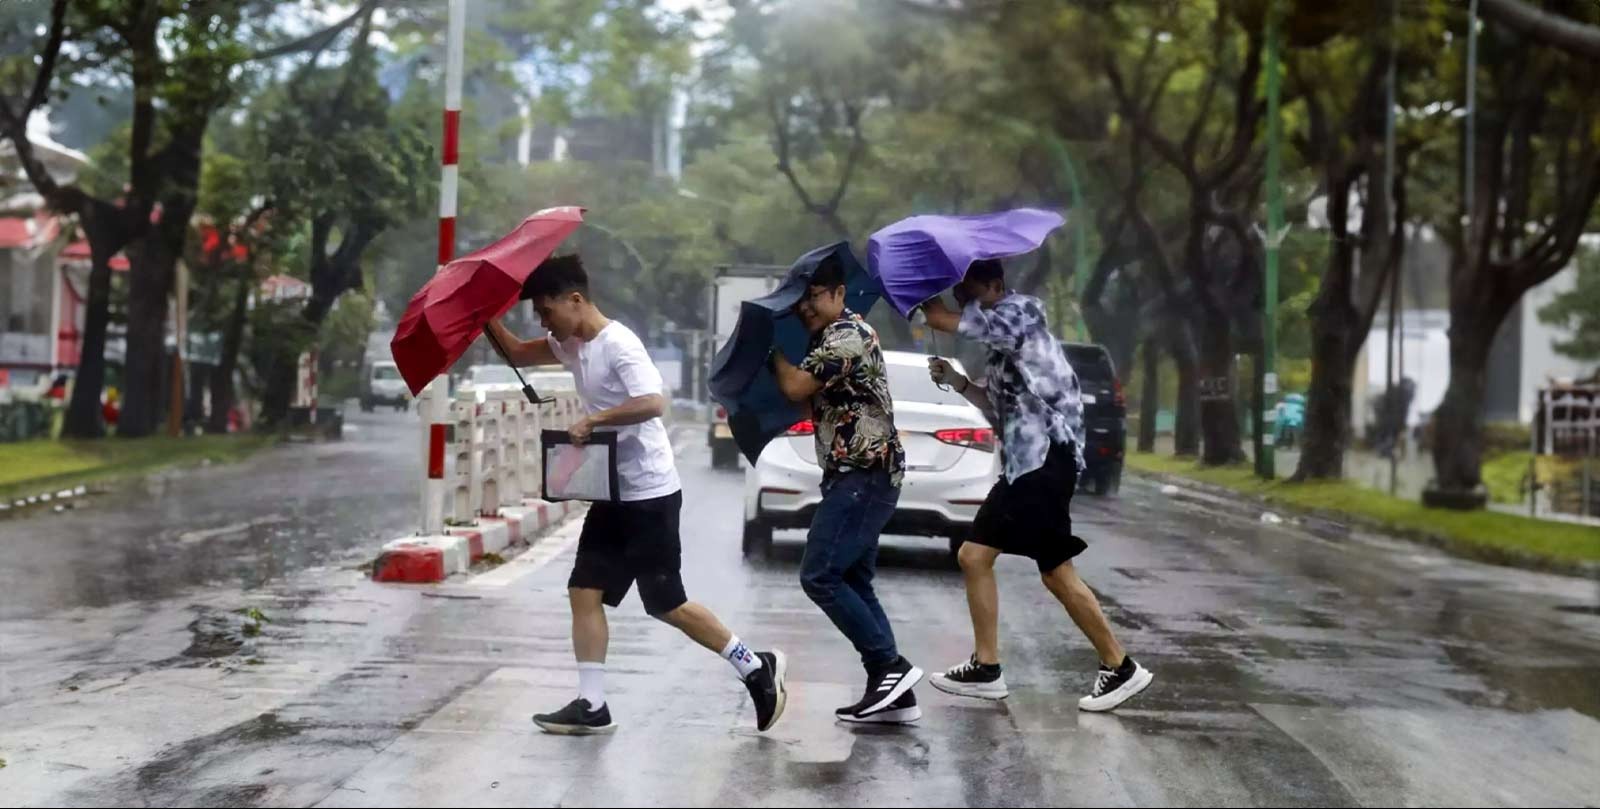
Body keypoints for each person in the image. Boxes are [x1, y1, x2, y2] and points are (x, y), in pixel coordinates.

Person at [484, 254, 788, 735]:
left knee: (666, 603)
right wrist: (485, 316)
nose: (544, 323)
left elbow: (652, 402)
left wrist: (594, 420)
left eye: (546, 311)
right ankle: (592, 703)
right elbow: (519, 354)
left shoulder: (618, 343)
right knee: (584, 591)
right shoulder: (571, 346)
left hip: (649, 493)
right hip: (612, 492)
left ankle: (755, 665)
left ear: (576, 300)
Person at [920, 258, 1154, 712]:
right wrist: (958, 383)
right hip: (1027, 465)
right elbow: (998, 406)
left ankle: (1121, 666)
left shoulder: (1020, 313)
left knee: (1054, 571)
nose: (964, 300)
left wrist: (927, 296)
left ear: (995, 285)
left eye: (969, 291)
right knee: (975, 556)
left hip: (1047, 458)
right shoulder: (1003, 340)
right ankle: (987, 667)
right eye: (960, 292)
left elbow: (944, 321)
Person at [769, 255, 923, 725]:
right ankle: (894, 693)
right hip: (855, 474)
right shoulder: (826, 338)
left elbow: (795, 387)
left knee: (820, 576)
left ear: (838, 294)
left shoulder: (848, 336)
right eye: (801, 301)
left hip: (866, 474)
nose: (806, 308)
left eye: (814, 297)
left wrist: (771, 348)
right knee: (854, 579)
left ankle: (890, 667)